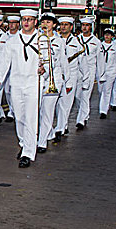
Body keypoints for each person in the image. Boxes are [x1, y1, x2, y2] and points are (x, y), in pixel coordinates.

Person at [0, 9, 44, 168]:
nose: (26, 22)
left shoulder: (43, 40)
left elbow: (50, 61)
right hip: (16, 83)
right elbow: (4, 62)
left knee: (31, 117)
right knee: (19, 116)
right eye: (24, 19)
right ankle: (24, 143)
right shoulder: (12, 41)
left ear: (35, 22)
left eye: (30, 19)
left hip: (33, 82)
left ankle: (29, 153)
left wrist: (46, 70)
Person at [36, 13, 70, 152]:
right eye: (43, 22)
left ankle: (42, 142)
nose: (45, 24)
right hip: (38, 79)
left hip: (54, 80)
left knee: (48, 111)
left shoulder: (59, 41)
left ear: (54, 25)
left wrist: (67, 81)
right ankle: (47, 133)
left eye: (49, 22)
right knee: (38, 112)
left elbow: (63, 61)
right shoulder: (36, 38)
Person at [53, 16, 88, 138]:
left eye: (66, 25)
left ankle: (60, 129)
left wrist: (86, 80)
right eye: (61, 24)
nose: (63, 27)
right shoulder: (55, 40)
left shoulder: (77, 42)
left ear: (71, 27)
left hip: (71, 77)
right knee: (57, 104)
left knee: (65, 103)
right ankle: (64, 125)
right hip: (57, 75)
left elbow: (83, 63)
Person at [74, 16, 102, 130]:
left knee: (85, 95)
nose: (85, 27)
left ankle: (81, 119)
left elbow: (99, 60)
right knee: (77, 96)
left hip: (90, 71)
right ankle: (84, 113)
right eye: (83, 25)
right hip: (77, 70)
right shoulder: (76, 39)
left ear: (91, 27)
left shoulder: (96, 42)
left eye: (87, 25)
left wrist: (100, 75)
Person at [98, 28, 116, 119]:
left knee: (107, 91)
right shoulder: (100, 45)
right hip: (101, 71)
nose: (107, 36)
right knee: (100, 90)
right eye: (105, 35)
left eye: (109, 35)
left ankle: (103, 111)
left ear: (112, 37)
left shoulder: (115, 47)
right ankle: (105, 104)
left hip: (111, 71)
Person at [3, 15, 20, 122]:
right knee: (7, 91)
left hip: (17, 68)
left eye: (14, 23)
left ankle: (12, 111)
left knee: (15, 90)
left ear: (18, 24)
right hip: (6, 68)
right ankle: (11, 108)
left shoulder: (20, 36)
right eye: (10, 23)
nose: (12, 25)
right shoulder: (4, 36)